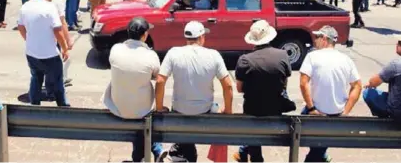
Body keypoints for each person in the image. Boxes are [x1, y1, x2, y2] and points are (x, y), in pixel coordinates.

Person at [155, 21, 233, 162]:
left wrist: (159, 107)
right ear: (202, 37)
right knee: (215, 109)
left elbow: (160, 81)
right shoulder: (213, 55)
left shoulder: (173, 52)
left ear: (186, 38)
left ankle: (178, 152)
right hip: (205, 112)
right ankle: (180, 153)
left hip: (179, 110)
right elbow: (228, 86)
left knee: (185, 138)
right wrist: (227, 110)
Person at [103, 17, 165, 162]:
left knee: (135, 104)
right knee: (143, 119)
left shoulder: (116, 49)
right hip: (142, 111)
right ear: (144, 35)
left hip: (117, 107)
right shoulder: (151, 56)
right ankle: (156, 149)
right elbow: (157, 77)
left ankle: (143, 155)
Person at [299, 26, 362, 163]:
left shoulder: (312, 56)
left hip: (316, 112)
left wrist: (311, 109)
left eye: (317, 37)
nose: (315, 40)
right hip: (337, 112)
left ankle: (320, 156)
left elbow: (304, 83)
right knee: (319, 146)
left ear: (325, 39)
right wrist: (346, 112)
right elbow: (357, 86)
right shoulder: (346, 59)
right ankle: (322, 156)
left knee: (309, 144)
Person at [233, 20, 292, 163]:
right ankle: (245, 153)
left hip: (253, 109)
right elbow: (284, 83)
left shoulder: (245, 60)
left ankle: (253, 156)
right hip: (275, 108)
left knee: (252, 121)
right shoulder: (283, 55)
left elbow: (239, 88)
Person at [18, 0, 70, 107]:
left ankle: (35, 106)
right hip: (49, 54)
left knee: (36, 79)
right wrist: (65, 48)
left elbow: (20, 27)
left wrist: (28, 39)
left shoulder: (26, 6)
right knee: (57, 82)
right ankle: (62, 106)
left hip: (31, 53)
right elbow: (58, 31)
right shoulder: (50, 7)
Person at [48, 0, 73, 88]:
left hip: (48, 34)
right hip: (57, 34)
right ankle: (59, 82)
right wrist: (68, 40)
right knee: (65, 58)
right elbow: (62, 22)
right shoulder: (57, 1)